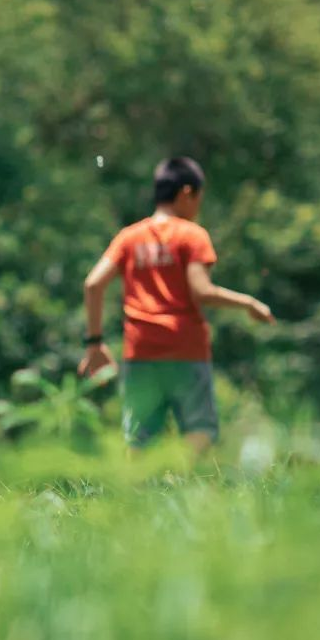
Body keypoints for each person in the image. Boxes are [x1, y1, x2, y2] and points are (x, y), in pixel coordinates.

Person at [78, 157, 275, 454]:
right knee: (199, 431)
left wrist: (95, 344)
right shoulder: (192, 235)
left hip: (141, 351)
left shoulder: (129, 238)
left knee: (139, 439)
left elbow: (93, 284)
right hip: (186, 349)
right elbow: (202, 291)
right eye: (198, 199)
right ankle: (190, 495)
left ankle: (137, 498)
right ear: (186, 193)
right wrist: (248, 303)